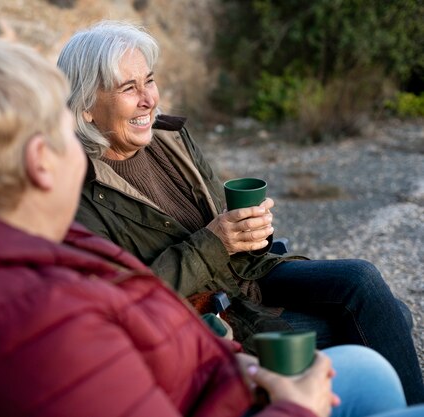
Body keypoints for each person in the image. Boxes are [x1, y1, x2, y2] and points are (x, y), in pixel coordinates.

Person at [0, 38, 424, 417]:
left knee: (367, 361)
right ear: (41, 159)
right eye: (63, 131)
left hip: (215, 369)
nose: (145, 99)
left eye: (148, 82)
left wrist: (226, 360)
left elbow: (143, 324)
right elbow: (139, 320)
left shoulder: (11, 254)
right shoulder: (42, 319)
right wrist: (289, 403)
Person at [56, 20, 424, 405]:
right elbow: (125, 299)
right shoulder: (80, 192)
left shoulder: (170, 137)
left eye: (149, 80)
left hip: (247, 275)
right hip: (207, 317)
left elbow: (225, 228)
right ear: (85, 108)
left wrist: (250, 229)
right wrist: (215, 242)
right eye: (128, 88)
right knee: (390, 319)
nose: (148, 99)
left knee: (363, 282)